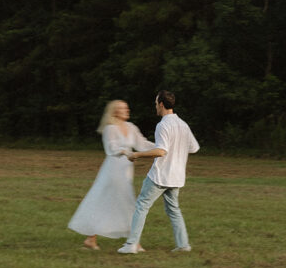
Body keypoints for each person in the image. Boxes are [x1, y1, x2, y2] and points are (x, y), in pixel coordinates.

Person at [118, 89, 199, 255]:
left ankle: (132, 244)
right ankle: (183, 245)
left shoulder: (163, 125)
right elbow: (194, 148)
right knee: (173, 209)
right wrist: (178, 151)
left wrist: (136, 154)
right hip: (176, 177)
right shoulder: (183, 125)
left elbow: (161, 151)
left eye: (156, 103)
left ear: (161, 104)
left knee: (141, 206)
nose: (155, 106)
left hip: (160, 176)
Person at [67, 100, 156, 251]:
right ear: (114, 112)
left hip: (126, 172)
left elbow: (142, 144)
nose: (127, 110)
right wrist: (125, 151)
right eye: (122, 108)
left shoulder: (131, 127)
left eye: (127, 107)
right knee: (126, 203)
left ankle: (91, 239)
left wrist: (162, 147)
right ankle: (134, 242)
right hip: (112, 170)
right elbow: (111, 148)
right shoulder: (110, 129)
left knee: (108, 203)